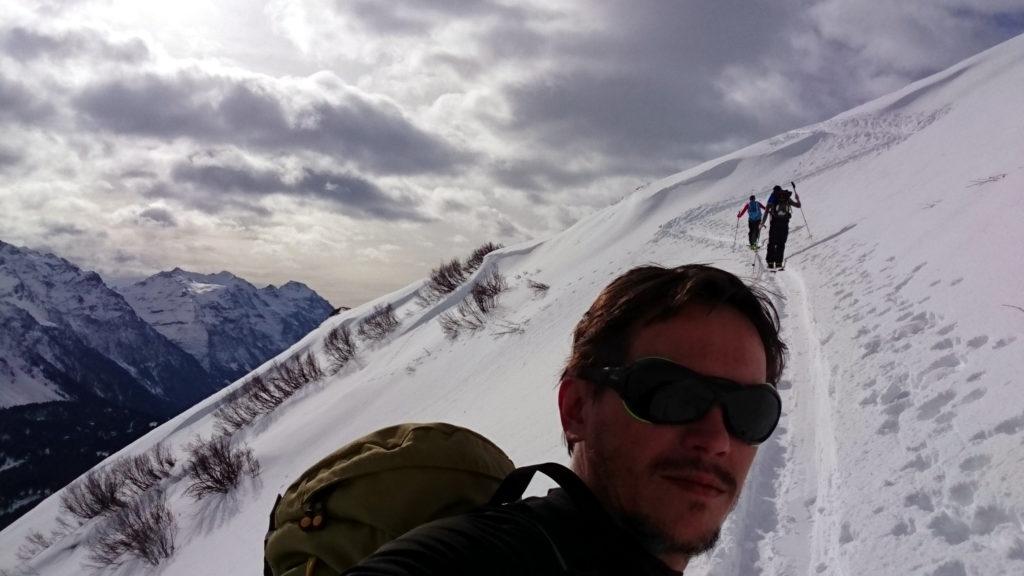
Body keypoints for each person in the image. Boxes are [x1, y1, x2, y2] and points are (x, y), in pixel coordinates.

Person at [341, 264, 787, 575]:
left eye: (749, 411)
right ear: (576, 408)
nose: (716, 440)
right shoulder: (488, 557)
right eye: (669, 394)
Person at [763, 187, 801, 269]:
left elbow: (766, 211)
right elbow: (798, 206)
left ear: (774, 190)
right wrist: (797, 199)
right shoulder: (786, 197)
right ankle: (779, 263)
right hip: (784, 224)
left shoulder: (773, 197)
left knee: (772, 243)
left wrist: (762, 223)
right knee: (781, 244)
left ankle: (770, 263)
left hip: (774, 224)